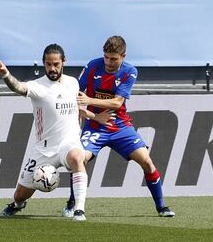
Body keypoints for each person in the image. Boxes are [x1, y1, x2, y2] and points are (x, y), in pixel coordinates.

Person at [0, 44, 113, 221]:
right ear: (43, 63)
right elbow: (18, 87)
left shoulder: (73, 83)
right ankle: (18, 205)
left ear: (64, 62)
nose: (52, 68)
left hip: (68, 143)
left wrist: (94, 117)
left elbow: (76, 108)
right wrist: (5, 75)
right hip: (44, 149)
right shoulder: (38, 86)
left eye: (56, 64)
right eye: (48, 64)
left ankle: (79, 210)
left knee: (77, 158)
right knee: (20, 195)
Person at [62, 36, 175, 218]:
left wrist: (89, 100)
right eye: (106, 57)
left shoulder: (130, 71)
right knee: (79, 159)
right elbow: (72, 98)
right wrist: (93, 116)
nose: (108, 62)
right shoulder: (92, 66)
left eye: (113, 58)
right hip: (94, 126)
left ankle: (161, 207)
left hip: (120, 126)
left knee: (147, 162)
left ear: (123, 56)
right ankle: (72, 202)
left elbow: (117, 102)